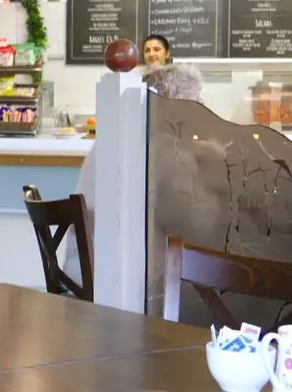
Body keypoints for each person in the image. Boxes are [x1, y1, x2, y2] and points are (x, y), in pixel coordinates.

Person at [66, 63, 204, 284]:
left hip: (80, 274)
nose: (204, 108)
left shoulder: (117, 137)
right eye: (198, 101)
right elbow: (192, 221)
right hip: (120, 285)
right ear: (178, 107)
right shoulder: (167, 148)